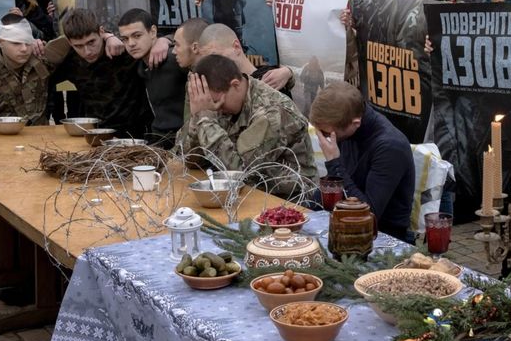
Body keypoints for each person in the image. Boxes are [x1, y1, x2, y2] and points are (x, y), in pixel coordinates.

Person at [177, 54, 316, 194]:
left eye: (217, 102)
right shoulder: (218, 102)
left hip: (292, 200)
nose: (215, 109)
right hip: (251, 192)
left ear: (235, 85)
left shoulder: (270, 113)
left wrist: (205, 120)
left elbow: (241, 173)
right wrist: (197, 119)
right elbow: (191, 161)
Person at [310, 81, 415, 243]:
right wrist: (303, 210)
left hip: (385, 239)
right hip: (344, 225)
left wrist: (334, 163)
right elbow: (335, 191)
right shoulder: (348, 129)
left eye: (326, 133)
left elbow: (368, 215)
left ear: (355, 123)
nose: (322, 138)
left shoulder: (390, 146)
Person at [42, 8, 156, 139]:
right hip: (95, 134)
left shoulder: (125, 50)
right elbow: (43, 67)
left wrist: (166, 41)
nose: (87, 51)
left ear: (101, 32)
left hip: (136, 134)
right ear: (69, 43)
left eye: (91, 42)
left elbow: (156, 42)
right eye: (78, 46)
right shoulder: (70, 61)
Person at [117, 8, 186, 147]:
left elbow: (201, 32)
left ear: (153, 32)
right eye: (125, 39)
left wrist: (168, 40)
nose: (130, 43)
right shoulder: (139, 65)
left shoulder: (176, 59)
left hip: (183, 142)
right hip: (158, 140)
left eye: (137, 36)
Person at [196, 23, 294, 98]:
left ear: (236, 47)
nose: (212, 67)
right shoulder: (214, 91)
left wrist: (289, 72)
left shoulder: (270, 80)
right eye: (207, 62)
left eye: (217, 57)